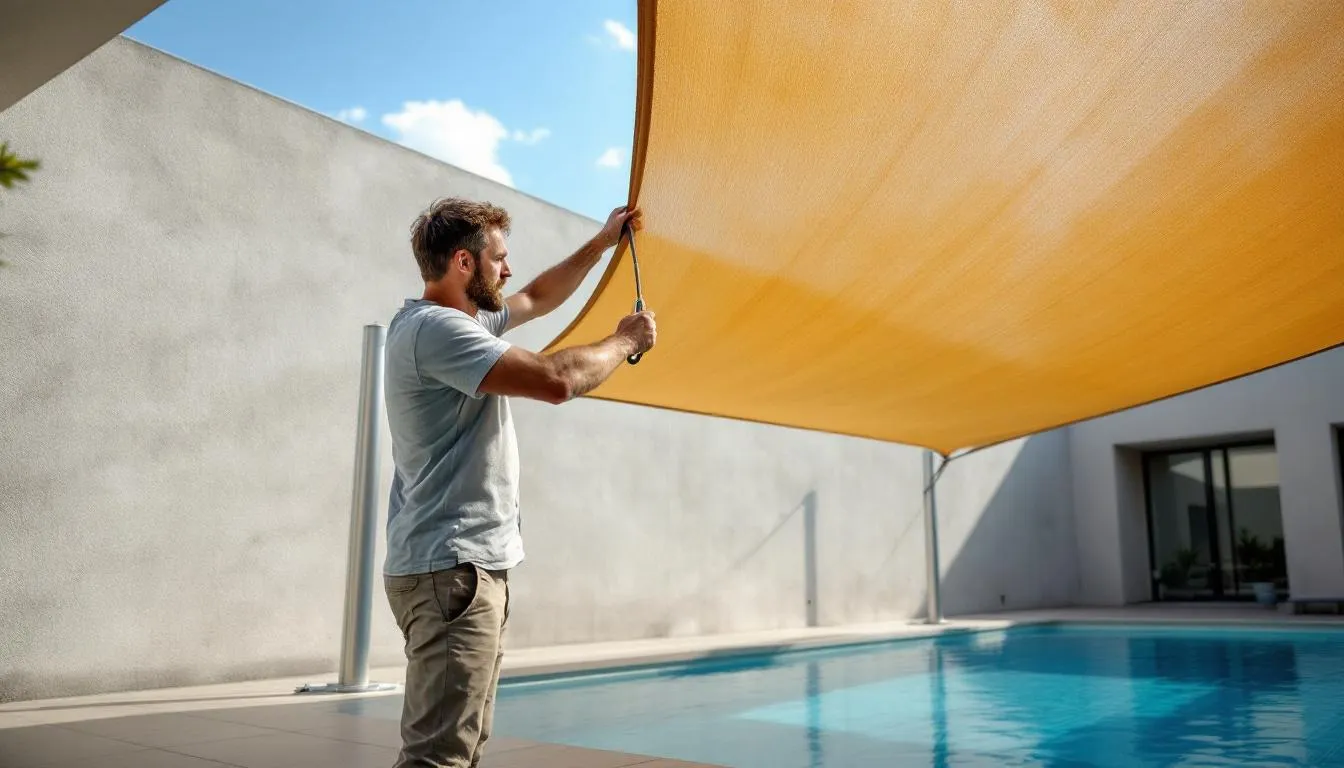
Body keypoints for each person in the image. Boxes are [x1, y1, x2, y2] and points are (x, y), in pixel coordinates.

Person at [380, 197, 655, 767]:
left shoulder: (461, 320)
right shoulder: (437, 331)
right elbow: (557, 380)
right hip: (450, 570)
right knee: (439, 757)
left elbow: (537, 296)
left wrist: (603, 242)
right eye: (498, 259)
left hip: (457, 569)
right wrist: (626, 341)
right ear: (463, 262)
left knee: (464, 746)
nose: (507, 271)